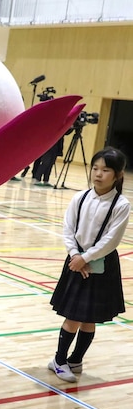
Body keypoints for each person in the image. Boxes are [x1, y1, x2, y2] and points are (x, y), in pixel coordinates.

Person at [48, 147, 130, 383]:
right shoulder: (80, 197)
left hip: (101, 264)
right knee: (73, 316)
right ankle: (59, 360)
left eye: (105, 170)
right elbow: (68, 229)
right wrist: (76, 255)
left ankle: (76, 359)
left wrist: (87, 258)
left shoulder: (120, 205)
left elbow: (111, 240)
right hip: (75, 261)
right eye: (95, 168)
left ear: (118, 175)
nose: (98, 174)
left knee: (89, 318)